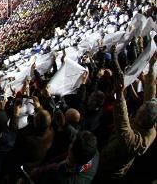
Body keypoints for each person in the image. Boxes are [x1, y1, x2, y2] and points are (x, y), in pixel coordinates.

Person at [96, 52, 157, 180]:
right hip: (109, 147)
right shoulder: (150, 123)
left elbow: (122, 123)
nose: (137, 111)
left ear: (141, 119)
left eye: (139, 112)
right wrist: (152, 65)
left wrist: (120, 96)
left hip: (109, 169)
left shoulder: (137, 143)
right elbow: (149, 93)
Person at [30, 130, 99, 184]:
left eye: (71, 143)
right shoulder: (93, 152)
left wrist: (35, 172)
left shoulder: (61, 179)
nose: (70, 144)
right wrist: (65, 126)